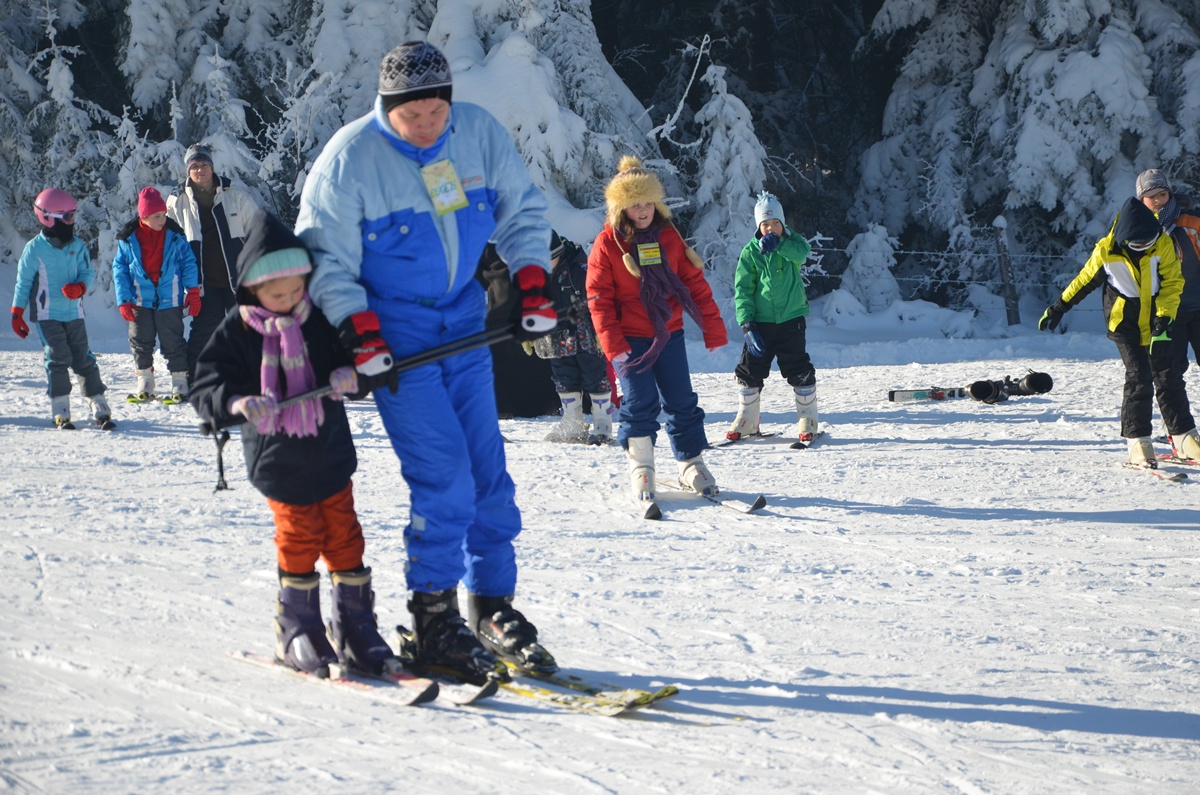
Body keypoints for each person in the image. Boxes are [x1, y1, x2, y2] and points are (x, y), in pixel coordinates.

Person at [295, 41, 558, 684]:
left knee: (488, 475)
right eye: (412, 115)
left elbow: (521, 209)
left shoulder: (477, 135)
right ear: (388, 108)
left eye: (437, 111)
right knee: (444, 477)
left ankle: (492, 608)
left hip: (464, 321)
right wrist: (359, 330)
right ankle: (434, 617)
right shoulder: (350, 160)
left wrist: (529, 278)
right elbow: (323, 257)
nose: (427, 126)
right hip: (396, 336)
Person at [189, 210, 398, 678]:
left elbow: (353, 360)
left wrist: (350, 376)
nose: (288, 301)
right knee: (299, 537)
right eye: (276, 294)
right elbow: (204, 388)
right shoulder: (237, 331)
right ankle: (297, 628)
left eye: (295, 290)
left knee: (345, 535)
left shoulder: (317, 318)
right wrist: (238, 402)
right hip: (279, 459)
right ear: (252, 291)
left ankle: (356, 626)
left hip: (329, 451)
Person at [586, 155, 728, 502]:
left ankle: (690, 462)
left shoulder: (668, 238)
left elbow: (694, 283)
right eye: (636, 204)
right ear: (622, 207)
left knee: (681, 400)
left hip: (670, 333)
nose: (644, 209)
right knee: (639, 402)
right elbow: (598, 297)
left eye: (648, 202)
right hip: (629, 340)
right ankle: (642, 466)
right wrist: (612, 343)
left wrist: (713, 327)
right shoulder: (608, 244)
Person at [1038, 195, 1200, 465]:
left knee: (1168, 375)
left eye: (1147, 242)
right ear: (1125, 239)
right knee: (1139, 377)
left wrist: (1163, 320)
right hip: (1125, 324)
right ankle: (1138, 441)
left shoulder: (1162, 244)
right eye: (1137, 244)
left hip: (1156, 322)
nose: (1143, 247)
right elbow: (1084, 281)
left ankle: (1183, 436)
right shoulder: (1107, 250)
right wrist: (1058, 307)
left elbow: (1173, 284)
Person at [10, 188, 112, 430]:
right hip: (46, 315)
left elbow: (87, 273)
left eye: (73, 216)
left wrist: (80, 287)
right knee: (57, 358)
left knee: (83, 358)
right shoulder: (35, 249)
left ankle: (97, 401)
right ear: (48, 218)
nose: (71, 222)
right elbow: (23, 282)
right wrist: (17, 312)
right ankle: (61, 406)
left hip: (74, 313)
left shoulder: (77, 245)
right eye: (66, 217)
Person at [726, 191, 817, 444]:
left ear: (782, 224)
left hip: (791, 320)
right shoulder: (750, 252)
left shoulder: (792, 243)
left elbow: (802, 253)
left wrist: (781, 244)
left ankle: (807, 417)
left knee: (797, 367)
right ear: (758, 226)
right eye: (765, 224)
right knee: (749, 370)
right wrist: (747, 324)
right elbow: (743, 289)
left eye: (775, 223)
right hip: (761, 323)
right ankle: (747, 418)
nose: (770, 228)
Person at [166, 143, 260, 382]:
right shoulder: (177, 201)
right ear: (188, 171)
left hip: (238, 278)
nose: (200, 170)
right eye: (194, 166)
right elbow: (167, 243)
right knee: (204, 331)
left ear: (212, 166)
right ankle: (194, 378)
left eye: (204, 164)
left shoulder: (234, 195)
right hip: (203, 283)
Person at [112, 187, 200, 403]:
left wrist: (193, 290)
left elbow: (188, 263)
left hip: (170, 298)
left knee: (173, 340)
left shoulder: (175, 237)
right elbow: (120, 270)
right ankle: (145, 379)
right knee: (140, 340)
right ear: (144, 217)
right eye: (157, 216)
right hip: (140, 301)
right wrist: (124, 300)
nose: (163, 220)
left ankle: (179, 379)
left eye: (164, 215)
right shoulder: (128, 240)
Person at [1138, 168, 1200, 458]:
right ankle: (1177, 432)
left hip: (1197, 307)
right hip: (1165, 314)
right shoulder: (1137, 229)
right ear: (1142, 199)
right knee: (1170, 374)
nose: (1159, 200)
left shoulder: (1191, 221)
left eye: (1163, 194)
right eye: (1152, 196)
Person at [533, 231, 613, 444]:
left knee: (594, 375)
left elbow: (598, 300)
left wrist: (601, 329)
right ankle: (572, 421)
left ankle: (602, 421)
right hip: (554, 337)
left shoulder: (578, 271)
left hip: (584, 334)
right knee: (563, 377)